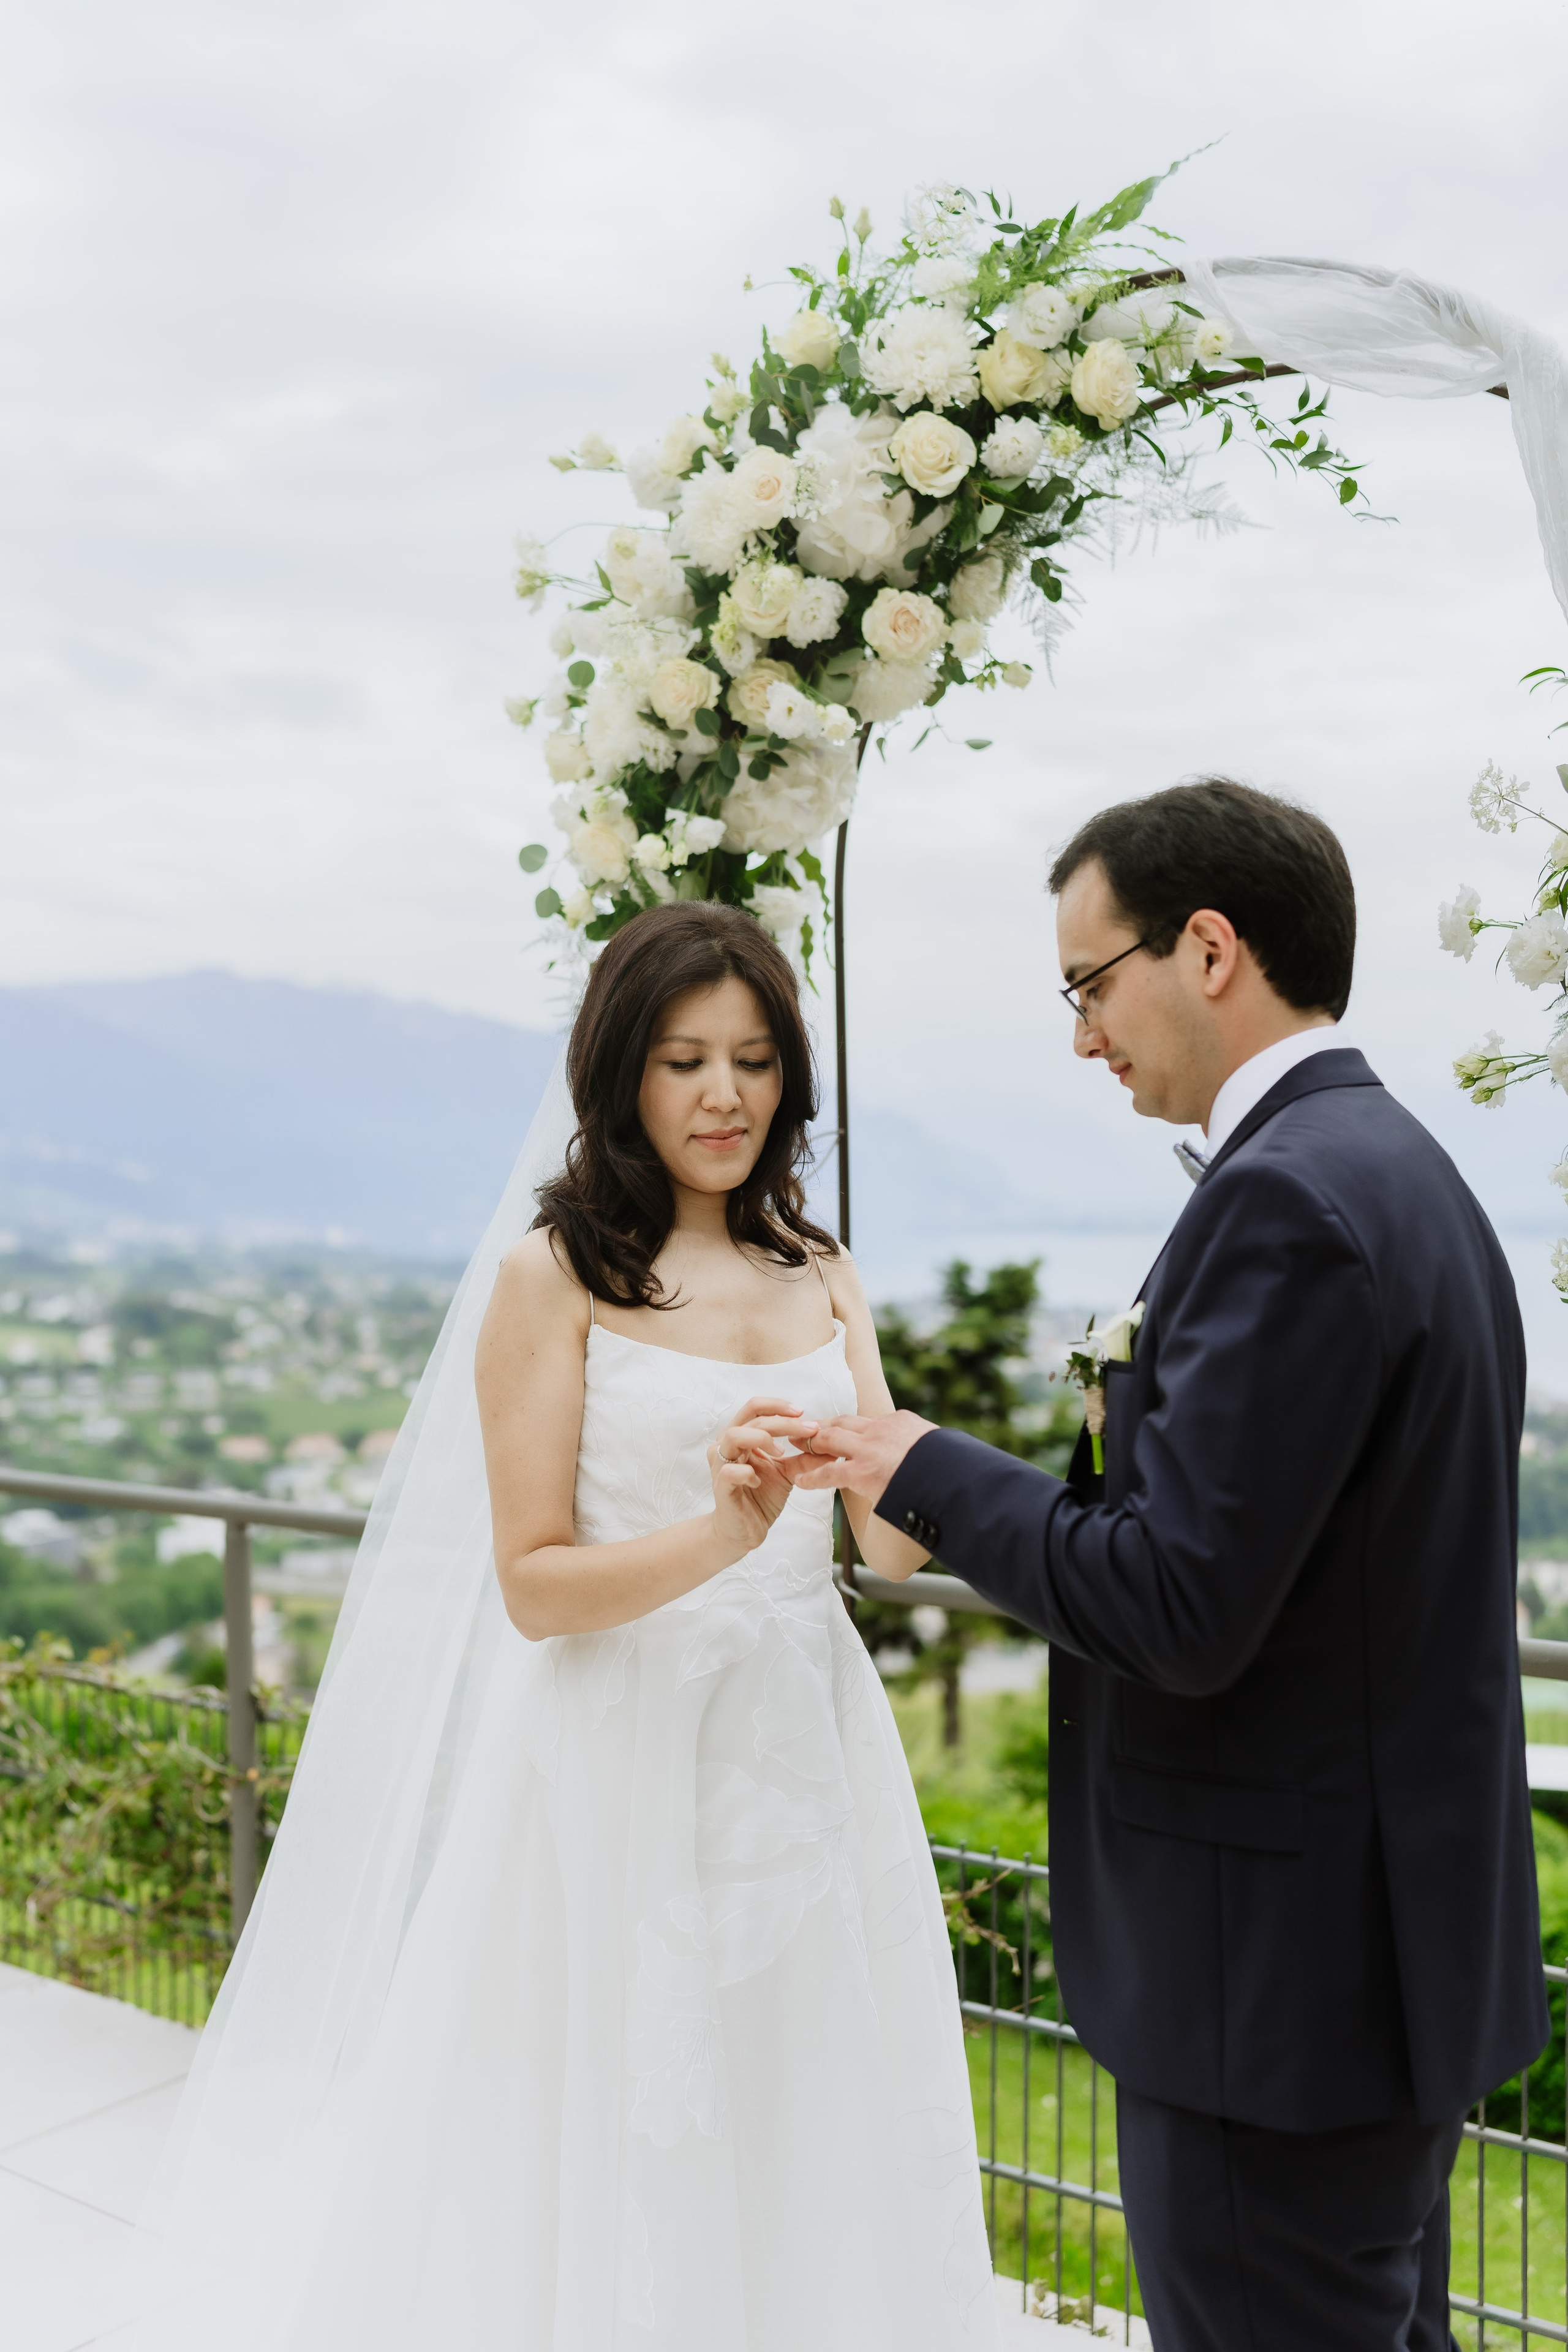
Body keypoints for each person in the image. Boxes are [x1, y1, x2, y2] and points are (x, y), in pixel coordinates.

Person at [122, 897, 1000, 2352]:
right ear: (619, 1077)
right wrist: (717, 1534)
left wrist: (898, 1451)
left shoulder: (821, 1266)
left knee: (807, 2105)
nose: (723, 1094)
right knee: (620, 2128)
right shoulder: (555, 1275)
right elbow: (531, 1585)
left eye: (753, 1058)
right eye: (680, 1060)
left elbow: (886, 1549)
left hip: (804, 1746)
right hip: (621, 1750)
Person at [788, 778, 1547, 2352]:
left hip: (1266, 1993)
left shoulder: (1284, 1202)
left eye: (1087, 985)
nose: (1080, 1038)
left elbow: (1179, 1604)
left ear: (1205, 947)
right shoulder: (1402, 1174)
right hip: (1370, 1966)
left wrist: (918, 1470)